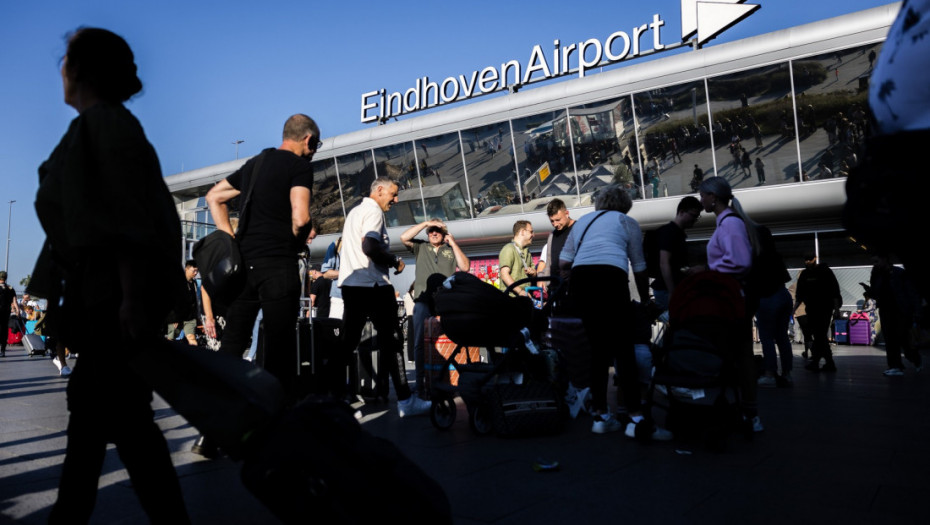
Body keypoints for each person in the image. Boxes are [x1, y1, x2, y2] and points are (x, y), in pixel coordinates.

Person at [31, 27, 189, 523]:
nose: (60, 70)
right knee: (104, 417)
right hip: (102, 291)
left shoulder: (106, 125)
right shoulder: (103, 125)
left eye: (65, 60)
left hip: (109, 295)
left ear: (79, 70)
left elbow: (126, 219)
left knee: (124, 422)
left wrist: (130, 298)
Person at [196, 113, 318, 457]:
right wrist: (295, 243)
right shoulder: (299, 166)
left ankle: (210, 432)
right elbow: (301, 218)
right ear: (307, 140)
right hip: (278, 265)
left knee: (233, 347)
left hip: (244, 269)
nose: (313, 152)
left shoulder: (255, 163)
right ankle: (273, 431)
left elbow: (213, 197)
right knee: (278, 349)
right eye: (315, 146)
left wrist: (228, 236)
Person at [559, 186, 669, 440]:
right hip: (611, 278)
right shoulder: (626, 221)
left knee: (597, 350)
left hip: (582, 282)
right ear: (624, 204)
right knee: (623, 349)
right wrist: (643, 299)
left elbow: (564, 262)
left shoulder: (583, 221)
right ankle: (635, 417)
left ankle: (600, 415)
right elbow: (639, 266)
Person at [336, 177, 431, 417]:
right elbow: (369, 246)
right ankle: (405, 400)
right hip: (373, 286)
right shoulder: (374, 213)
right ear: (379, 190)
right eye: (393, 194)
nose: (396, 200)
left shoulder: (354, 213)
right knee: (393, 341)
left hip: (352, 285)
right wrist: (393, 261)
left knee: (347, 344)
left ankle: (333, 400)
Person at [698, 177, 763, 432]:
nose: (701, 199)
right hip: (733, 297)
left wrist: (708, 270)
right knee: (740, 354)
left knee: (740, 354)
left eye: (702, 195)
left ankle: (748, 409)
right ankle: (747, 409)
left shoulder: (730, 224)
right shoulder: (729, 222)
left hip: (731, 299)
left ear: (713, 196)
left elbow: (740, 261)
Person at [400, 218, 469, 397]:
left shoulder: (450, 249)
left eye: (437, 230)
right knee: (419, 343)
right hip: (423, 300)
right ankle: (421, 383)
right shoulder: (421, 247)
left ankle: (450, 378)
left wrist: (452, 242)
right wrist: (425, 223)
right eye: (431, 231)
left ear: (444, 232)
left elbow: (465, 266)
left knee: (450, 338)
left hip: (445, 301)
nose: (434, 233)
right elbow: (403, 237)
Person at [869, 254, 922, 376]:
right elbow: (876, 291)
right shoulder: (878, 275)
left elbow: (911, 292)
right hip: (886, 310)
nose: (875, 264)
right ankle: (895, 366)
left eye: (876, 261)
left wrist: (916, 310)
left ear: (885, 259)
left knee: (903, 338)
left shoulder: (899, 273)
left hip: (900, 311)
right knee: (890, 338)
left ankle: (913, 358)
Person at [649, 196, 702, 312]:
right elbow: (664, 262)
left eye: (697, 217)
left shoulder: (674, 232)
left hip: (666, 289)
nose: (694, 220)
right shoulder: (670, 232)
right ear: (681, 212)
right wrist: (672, 292)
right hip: (666, 290)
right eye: (693, 216)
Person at [794, 253, 841, 373]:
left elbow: (834, 291)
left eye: (810, 259)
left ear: (815, 259)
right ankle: (827, 363)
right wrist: (793, 310)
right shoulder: (805, 274)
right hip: (812, 309)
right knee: (820, 336)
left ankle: (818, 362)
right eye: (806, 260)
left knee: (819, 335)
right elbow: (800, 294)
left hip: (824, 309)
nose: (807, 262)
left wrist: (836, 309)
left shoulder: (825, 272)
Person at [541, 198, 576, 283]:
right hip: (555, 287)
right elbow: (549, 262)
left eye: (558, 220)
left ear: (567, 213)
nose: (555, 224)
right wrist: (544, 280)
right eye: (552, 221)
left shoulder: (578, 229)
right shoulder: (552, 235)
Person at [499, 220, 537, 296]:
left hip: (525, 297)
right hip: (511, 298)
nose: (533, 235)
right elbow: (504, 274)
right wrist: (520, 291)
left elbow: (535, 274)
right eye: (531, 232)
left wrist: (533, 273)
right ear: (522, 232)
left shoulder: (527, 252)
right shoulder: (509, 249)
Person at [166, 260, 199, 346]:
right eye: (194, 271)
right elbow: (172, 300)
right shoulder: (178, 283)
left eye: (197, 271)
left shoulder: (194, 283)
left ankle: (195, 357)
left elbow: (195, 301)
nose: (196, 273)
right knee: (171, 338)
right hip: (177, 316)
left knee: (192, 339)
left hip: (189, 317)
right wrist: (174, 317)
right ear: (186, 269)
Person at [321, 237, 344, 319]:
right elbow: (325, 273)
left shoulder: (367, 242)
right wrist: (346, 273)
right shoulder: (336, 245)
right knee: (336, 327)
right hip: (339, 297)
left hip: (363, 294)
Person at [0, 271, 21, 357]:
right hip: (6, 311)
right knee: (4, 330)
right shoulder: (10, 288)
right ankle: (3, 350)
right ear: (6, 278)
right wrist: (18, 310)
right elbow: (14, 301)